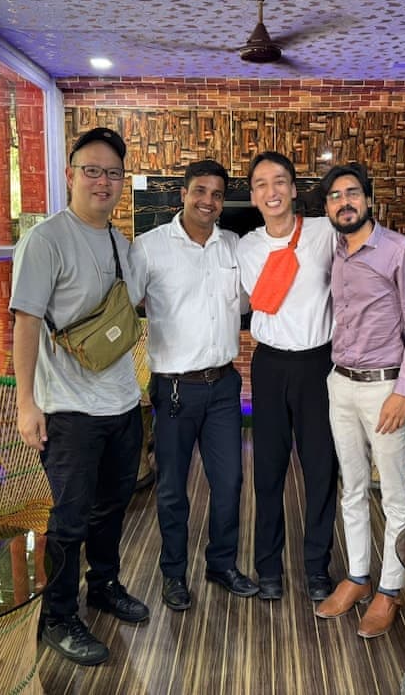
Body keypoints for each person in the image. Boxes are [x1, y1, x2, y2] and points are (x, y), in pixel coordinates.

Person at [10, 127, 148, 666]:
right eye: (92, 170)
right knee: (68, 520)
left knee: (112, 506)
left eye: (112, 173)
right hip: (69, 411)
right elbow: (26, 323)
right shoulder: (45, 240)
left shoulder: (122, 244)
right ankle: (58, 615)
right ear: (70, 175)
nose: (102, 182)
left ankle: (104, 585)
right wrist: (26, 403)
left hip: (122, 403)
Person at [129, 159, 259, 611]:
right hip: (174, 390)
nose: (208, 201)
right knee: (171, 489)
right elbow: (124, 307)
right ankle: (173, 574)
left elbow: (249, 302)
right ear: (182, 194)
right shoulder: (148, 248)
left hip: (224, 386)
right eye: (200, 191)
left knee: (230, 483)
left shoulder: (233, 246)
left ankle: (221, 564)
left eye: (217, 194)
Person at [314, 161, 405, 638]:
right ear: (327, 208)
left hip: (385, 387)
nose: (344, 202)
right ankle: (358, 577)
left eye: (352, 193)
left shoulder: (399, 251)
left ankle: (389, 591)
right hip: (340, 384)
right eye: (334, 196)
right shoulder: (336, 252)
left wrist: (402, 392)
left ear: (368, 199)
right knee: (353, 487)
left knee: (397, 496)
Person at [237, 151, 338, 602]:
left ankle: (317, 568)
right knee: (268, 470)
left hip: (319, 365)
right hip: (270, 366)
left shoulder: (324, 232)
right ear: (253, 196)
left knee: (321, 469)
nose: (271, 191)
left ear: (294, 189)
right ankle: (268, 567)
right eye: (261, 184)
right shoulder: (245, 247)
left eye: (279, 181)